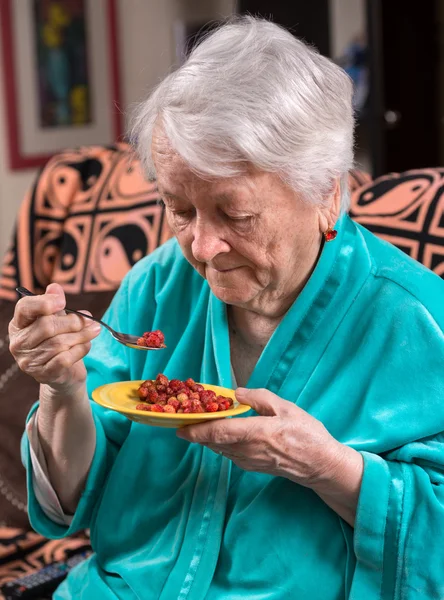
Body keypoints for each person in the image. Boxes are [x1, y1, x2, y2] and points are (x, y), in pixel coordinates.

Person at [9, 17, 444, 600]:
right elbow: (68, 498)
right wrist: (60, 388)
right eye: (180, 208)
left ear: (326, 193)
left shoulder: (417, 321)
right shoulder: (154, 288)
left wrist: (329, 467)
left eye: (236, 215)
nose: (202, 247)